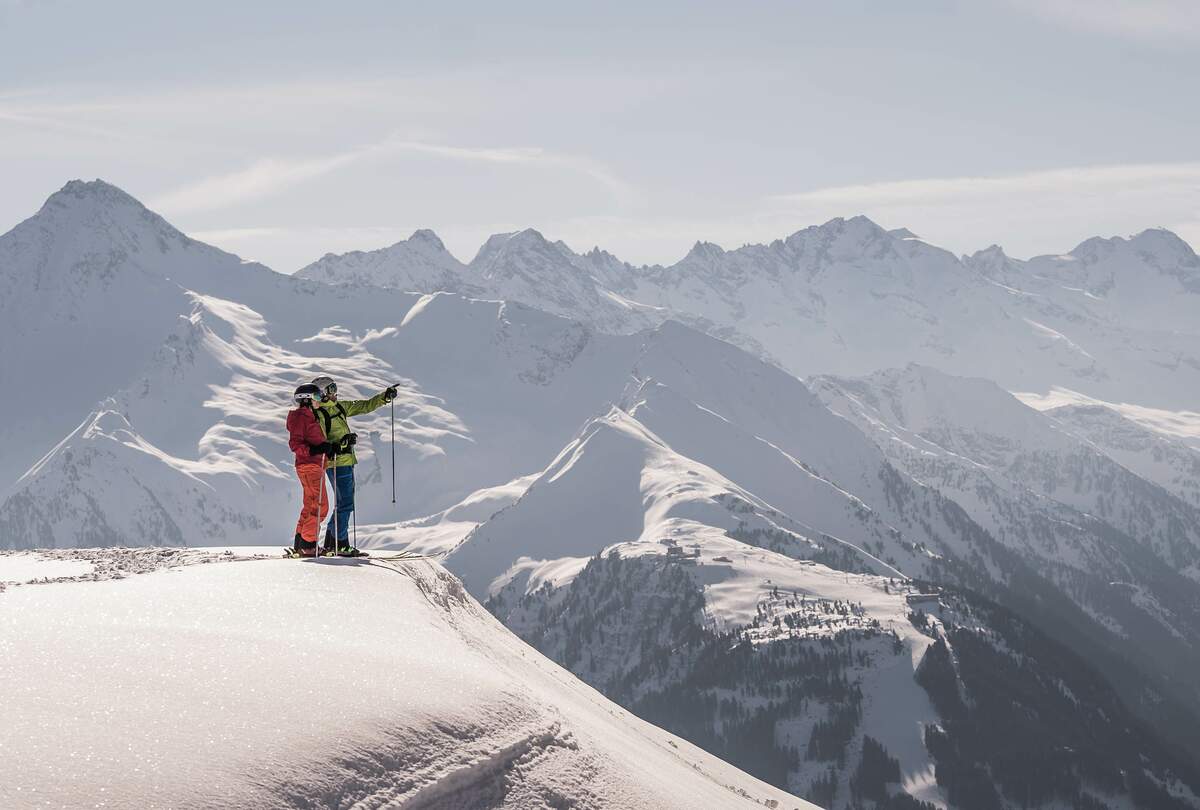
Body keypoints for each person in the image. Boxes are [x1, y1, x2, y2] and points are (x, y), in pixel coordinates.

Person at [311, 375, 398, 557]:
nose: (336, 392)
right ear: (323, 394)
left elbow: (364, 406)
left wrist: (384, 397)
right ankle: (340, 544)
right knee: (345, 504)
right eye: (332, 389)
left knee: (342, 503)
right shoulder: (319, 415)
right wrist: (341, 443)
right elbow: (320, 442)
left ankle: (331, 542)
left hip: (347, 461)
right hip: (336, 463)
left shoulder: (340, 407)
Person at [285, 383, 334, 557]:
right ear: (307, 399)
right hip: (309, 465)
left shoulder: (307, 416)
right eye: (318, 397)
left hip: (313, 465)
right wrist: (316, 450)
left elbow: (312, 441)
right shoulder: (301, 417)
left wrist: (326, 448)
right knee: (320, 506)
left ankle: (301, 543)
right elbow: (295, 444)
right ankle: (308, 545)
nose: (320, 401)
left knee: (310, 505)